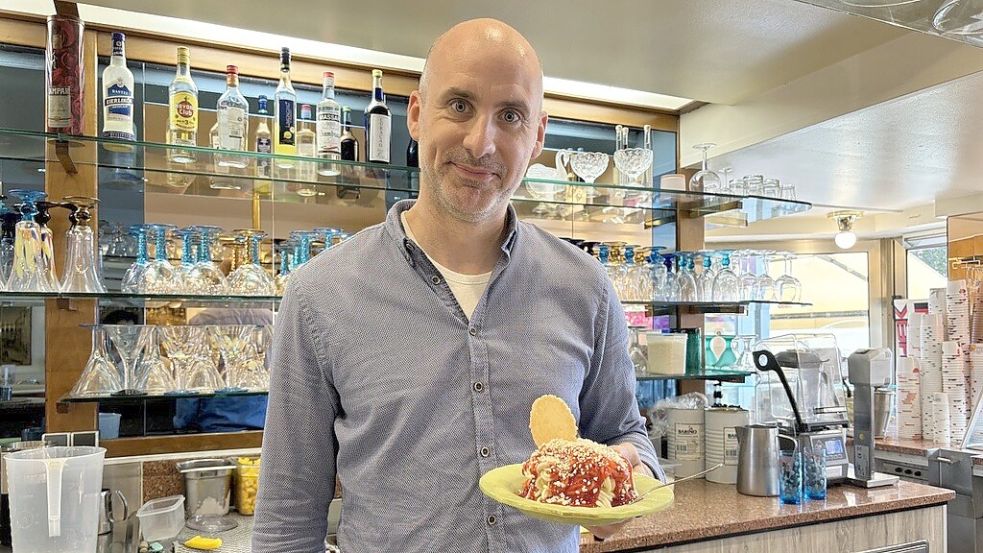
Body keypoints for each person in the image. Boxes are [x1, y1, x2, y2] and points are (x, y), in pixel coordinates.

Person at [252, 18, 662, 553]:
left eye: (510, 116)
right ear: (417, 115)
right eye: (460, 106)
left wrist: (626, 476)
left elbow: (626, 433)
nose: (480, 143)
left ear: (536, 137)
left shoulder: (585, 288)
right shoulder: (319, 296)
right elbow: (287, 518)